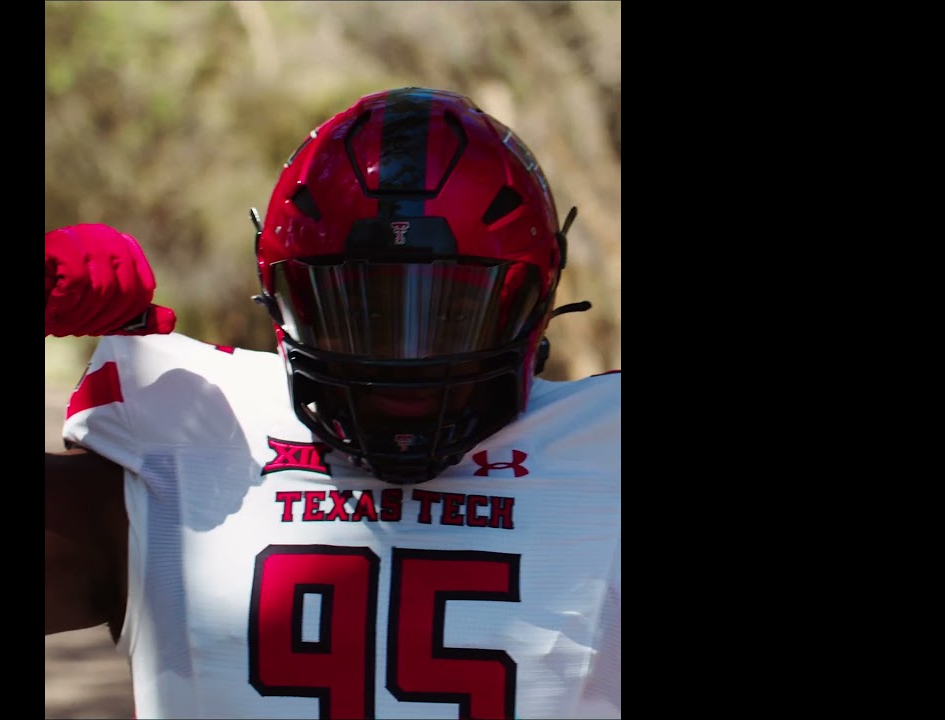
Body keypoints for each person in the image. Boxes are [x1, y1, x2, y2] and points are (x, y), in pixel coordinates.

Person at [45, 87, 620, 719]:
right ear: (284, 297)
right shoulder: (183, 447)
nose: (405, 360)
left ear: (530, 302)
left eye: (451, 313)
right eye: (364, 312)